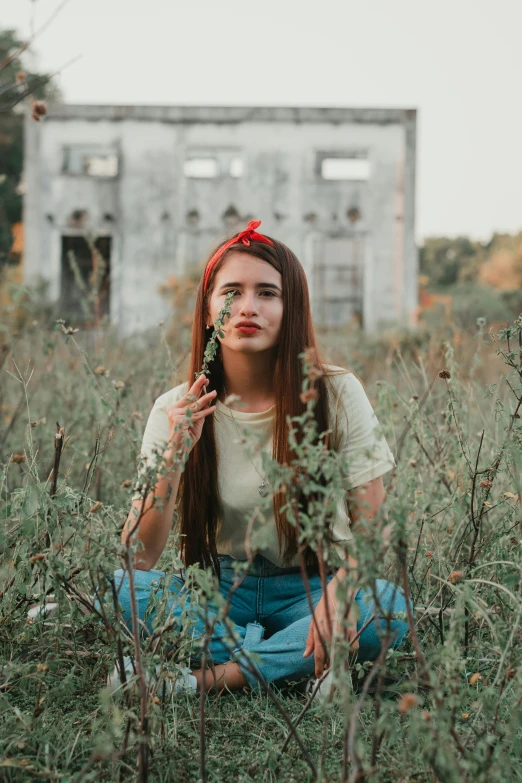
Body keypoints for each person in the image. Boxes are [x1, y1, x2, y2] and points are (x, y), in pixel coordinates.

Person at [114, 219, 411, 697]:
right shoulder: (174, 408)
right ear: (209, 311)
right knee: (117, 591)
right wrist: (174, 455)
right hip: (215, 594)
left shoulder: (335, 392)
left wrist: (340, 593)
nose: (248, 307)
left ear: (290, 307)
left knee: (388, 609)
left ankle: (201, 680)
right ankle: (298, 657)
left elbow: (371, 530)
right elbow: (139, 556)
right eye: (231, 291)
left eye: (268, 293)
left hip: (309, 588)